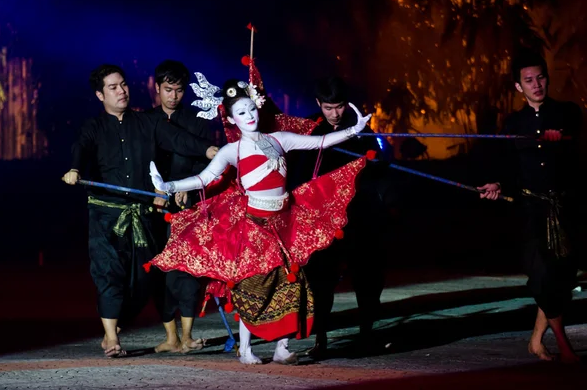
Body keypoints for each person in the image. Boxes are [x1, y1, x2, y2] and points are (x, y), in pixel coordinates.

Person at [148, 73, 372, 365]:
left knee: (290, 282)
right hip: (254, 225)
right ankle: (245, 349)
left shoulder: (280, 139)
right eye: (241, 112)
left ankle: (282, 347)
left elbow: (321, 143)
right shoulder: (232, 151)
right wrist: (168, 186)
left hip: (284, 223)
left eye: (251, 109)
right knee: (253, 287)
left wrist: (354, 129)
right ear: (232, 119)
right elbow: (204, 179)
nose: (249, 115)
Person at [61, 64, 218, 357]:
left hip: (142, 216)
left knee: (143, 278)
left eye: (123, 85)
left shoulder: (147, 122)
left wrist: (209, 151)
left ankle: (115, 326)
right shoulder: (93, 127)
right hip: (106, 217)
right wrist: (74, 169)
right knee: (109, 272)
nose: (121, 91)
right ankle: (112, 339)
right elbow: (80, 148)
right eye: (113, 87)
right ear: (99, 95)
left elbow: (178, 140)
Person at [478, 50, 582, 363]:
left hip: (563, 208)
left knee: (561, 277)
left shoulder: (567, 113)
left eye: (540, 77)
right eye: (528, 80)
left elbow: (576, 142)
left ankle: (537, 341)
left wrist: (560, 138)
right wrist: (496, 185)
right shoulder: (513, 123)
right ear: (518, 87)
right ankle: (564, 346)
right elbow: (508, 165)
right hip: (531, 211)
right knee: (540, 276)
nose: (536, 84)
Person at [289, 76, 391, 359]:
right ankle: (320, 339)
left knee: (368, 276)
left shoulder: (360, 129)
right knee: (320, 280)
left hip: (357, 215)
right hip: (321, 220)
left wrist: (375, 160)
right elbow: (297, 173)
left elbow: (382, 165)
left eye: (340, 107)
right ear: (318, 104)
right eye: (329, 107)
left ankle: (367, 335)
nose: (335, 114)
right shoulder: (309, 130)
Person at [147, 60, 217, 354]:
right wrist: (155, 190)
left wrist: (186, 187)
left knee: (187, 271)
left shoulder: (198, 122)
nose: (173, 96)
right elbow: (142, 160)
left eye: (177, 90)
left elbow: (204, 164)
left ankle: (187, 336)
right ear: (156, 87)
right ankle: (170, 337)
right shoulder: (146, 121)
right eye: (167, 89)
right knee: (158, 270)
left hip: (188, 207)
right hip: (154, 207)